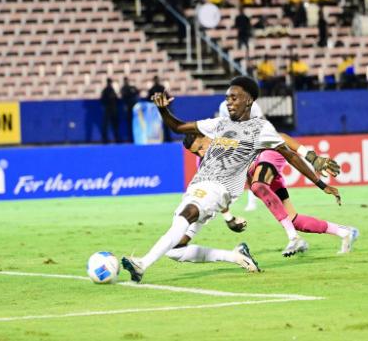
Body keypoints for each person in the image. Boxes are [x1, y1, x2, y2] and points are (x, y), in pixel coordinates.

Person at [121, 76, 341, 283]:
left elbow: (289, 153)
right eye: (227, 98)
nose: (229, 102)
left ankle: (142, 264)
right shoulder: (219, 124)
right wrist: (163, 110)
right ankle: (236, 257)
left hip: (218, 188)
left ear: (249, 100)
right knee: (174, 250)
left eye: (234, 98)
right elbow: (178, 127)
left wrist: (318, 177)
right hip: (197, 186)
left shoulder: (259, 128)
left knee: (186, 214)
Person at [184, 133, 359, 256]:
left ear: (205, 137)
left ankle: (294, 239)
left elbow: (280, 137)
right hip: (257, 173)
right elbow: (220, 192)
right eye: (195, 152)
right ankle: (345, 232)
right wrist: (228, 218)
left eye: (200, 147)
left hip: (268, 156)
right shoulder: (206, 163)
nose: (201, 153)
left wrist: (313, 163)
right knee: (293, 220)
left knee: (258, 186)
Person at [147, 76, 172, 142]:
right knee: (159, 125)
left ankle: (166, 139)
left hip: (161, 109)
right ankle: (163, 139)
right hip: (157, 110)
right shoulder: (152, 89)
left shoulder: (161, 88)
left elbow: (167, 97)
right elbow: (149, 100)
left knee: (164, 125)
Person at [100, 78, 121, 144]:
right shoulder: (106, 90)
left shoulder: (113, 90)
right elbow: (102, 100)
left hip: (113, 109)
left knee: (115, 124)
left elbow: (116, 100)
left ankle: (116, 138)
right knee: (106, 124)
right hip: (108, 109)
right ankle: (105, 139)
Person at [120, 77, 140, 142]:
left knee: (135, 122)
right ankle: (130, 138)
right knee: (129, 123)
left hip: (134, 108)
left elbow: (137, 92)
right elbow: (123, 98)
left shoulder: (132, 87)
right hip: (128, 109)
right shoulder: (123, 89)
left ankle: (135, 137)